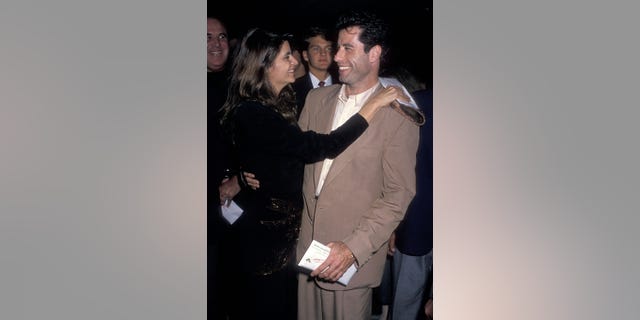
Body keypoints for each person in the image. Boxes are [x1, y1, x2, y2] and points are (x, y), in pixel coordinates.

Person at [218, 27, 405, 320]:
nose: (295, 60)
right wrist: (371, 107)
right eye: (286, 56)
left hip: (293, 240)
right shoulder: (253, 112)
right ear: (264, 65)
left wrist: (244, 176)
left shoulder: (282, 102)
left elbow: (275, 157)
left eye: (346, 48)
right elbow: (322, 147)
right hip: (268, 242)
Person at [296, 10, 420, 320]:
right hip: (306, 250)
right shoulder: (316, 100)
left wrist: (353, 248)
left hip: (348, 259)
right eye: (337, 46)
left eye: (347, 48)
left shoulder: (397, 115)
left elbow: (398, 194)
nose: (336, 56)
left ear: (374, 53)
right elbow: (297, 161)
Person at [292, 26, 339, 115]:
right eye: (316, 49)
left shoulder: (343, 86)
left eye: (328, 48)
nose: (323, 53)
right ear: (305, 55)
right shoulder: (293, 90)